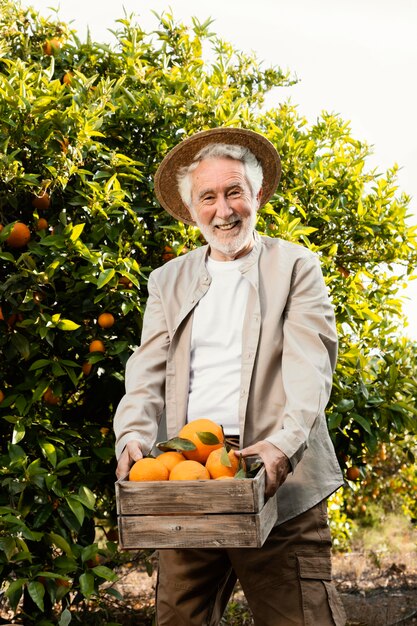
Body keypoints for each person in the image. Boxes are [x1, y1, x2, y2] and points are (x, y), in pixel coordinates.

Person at [114, 127, 347, 626]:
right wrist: (132, 435)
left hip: (278, 481)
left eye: (234, 192)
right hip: (189, 476)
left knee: (300, 616)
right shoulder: (167, 280)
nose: (224, 210)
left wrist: (283, 445)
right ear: (192, 209)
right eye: (209, 197)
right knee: (179, 617)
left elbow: (311, 366)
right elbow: (147, 370)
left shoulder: (296, 267)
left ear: (256, 194)